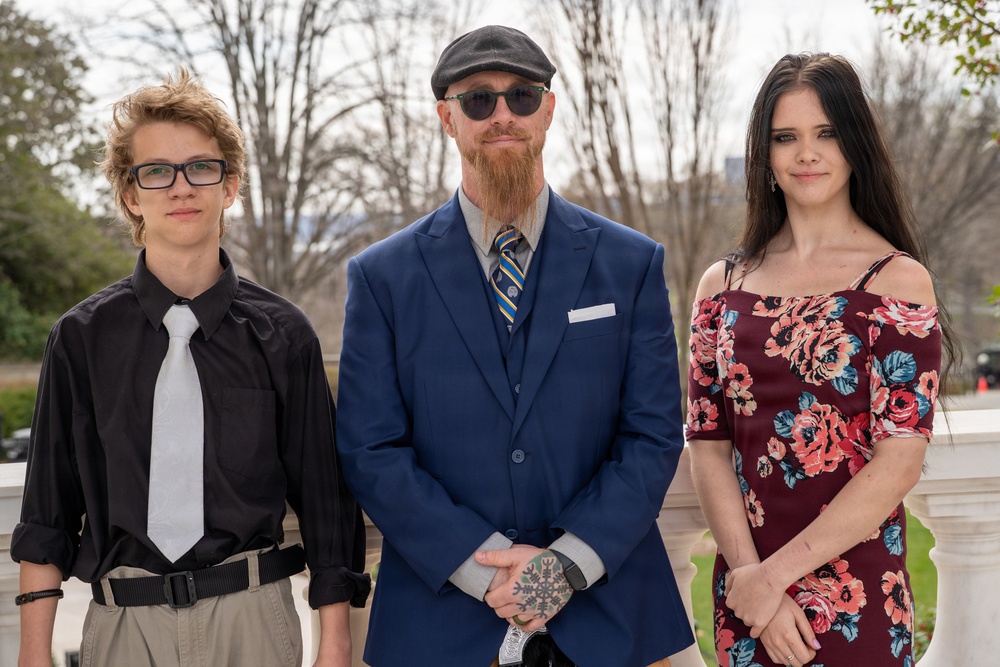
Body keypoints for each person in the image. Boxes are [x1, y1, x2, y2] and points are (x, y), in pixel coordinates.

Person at [335, 24, 693, 667]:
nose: (503, 115)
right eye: (478, 100)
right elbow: (371, 448)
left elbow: (654, 432)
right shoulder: (382, 278)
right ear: (448, 118)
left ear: (548, 110)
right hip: (441, 623)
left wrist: (566, 564)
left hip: (609, 616)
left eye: (522, 96)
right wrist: (485, 570)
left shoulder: (630, 263)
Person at [11, 69, 370, 667]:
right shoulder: (80, 338)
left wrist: (335, 648)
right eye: (156, 171)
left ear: (230, 185)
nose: (181, 188)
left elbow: (327, 509)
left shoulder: (283, 335)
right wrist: (32, 653)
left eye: (201, 167)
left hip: (253, 622)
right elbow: (47, 510)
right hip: (124, 625)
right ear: (131, 194)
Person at [686, 53, 952, 667]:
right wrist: (753, 582)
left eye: (826, 133)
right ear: (766, 155)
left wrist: (775, 578)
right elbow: (707, 445)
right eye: (786, 137)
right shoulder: (719, 287)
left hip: (856, 593)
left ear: (855, 143)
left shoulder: (898, 284)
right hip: (747, 598)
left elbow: (899, 465)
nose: (806, 153)